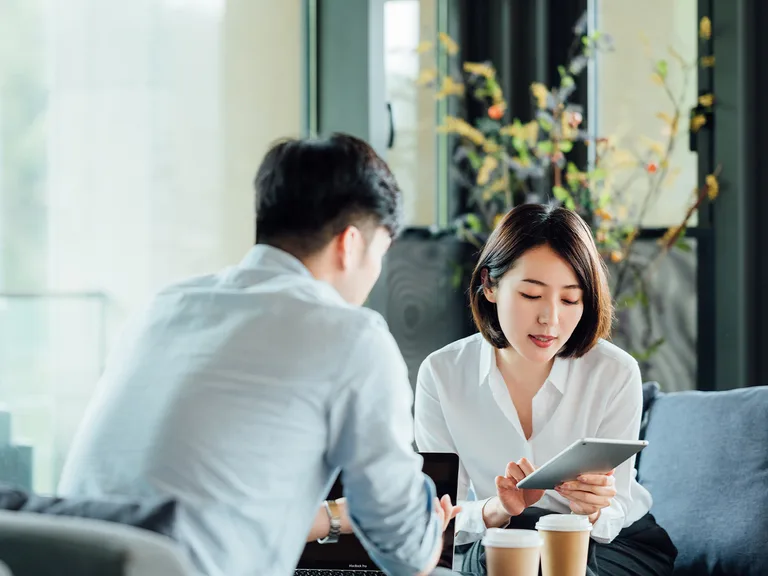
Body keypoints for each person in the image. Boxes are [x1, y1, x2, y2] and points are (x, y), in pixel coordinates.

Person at [58, 133, 459, 576]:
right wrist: (425, 532)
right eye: (380, 254)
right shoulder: (351, 335)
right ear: (349, 244)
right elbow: (403, 550)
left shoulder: (163, 306)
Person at [414, 204, 677, 575]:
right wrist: (501, 508)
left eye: (570, 299)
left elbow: (617, 507)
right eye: (531, 295)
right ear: (489, 285)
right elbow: (441, 515)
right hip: (502, 536)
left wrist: (595, 507)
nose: (550, 318)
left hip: (610, 541)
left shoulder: (614, 372)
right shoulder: (442, 373)